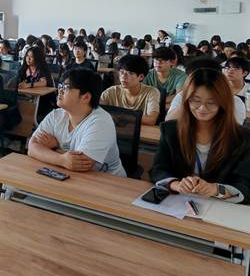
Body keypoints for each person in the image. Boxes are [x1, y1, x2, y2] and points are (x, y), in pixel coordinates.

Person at [151, 68, 250, 204]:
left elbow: (245, 184)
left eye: (211, 102)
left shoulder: (242, 138)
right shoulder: (171, 130)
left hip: (220, 206)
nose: (202, 108)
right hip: (180, 202)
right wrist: (175, 184)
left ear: (223, 103)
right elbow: (158, 169)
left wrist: (216, 189)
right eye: (195, 100)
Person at [27, 69, 126, 177]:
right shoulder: (56, 115)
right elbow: (31, 148)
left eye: (66, 87)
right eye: (60, 86)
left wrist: (54, 148)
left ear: (86, 97)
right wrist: (62, 159)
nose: (60, 91)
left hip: (107, 181)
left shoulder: (100, 122)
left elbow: (81, 164)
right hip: (67, 175)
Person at [166, 57, 247, 125]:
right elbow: (169, 122)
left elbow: (233, 132)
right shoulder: (183, 96)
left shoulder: (234, 102)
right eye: (189, 78)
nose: (190, 83)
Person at [100, 55, 160, 125]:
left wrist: (120, 116)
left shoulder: (151, 92)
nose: (123, 76)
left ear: (141, 77)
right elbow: (95, 112)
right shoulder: (110, 92)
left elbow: (151, 119)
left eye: (130, 73)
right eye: (121, 72)